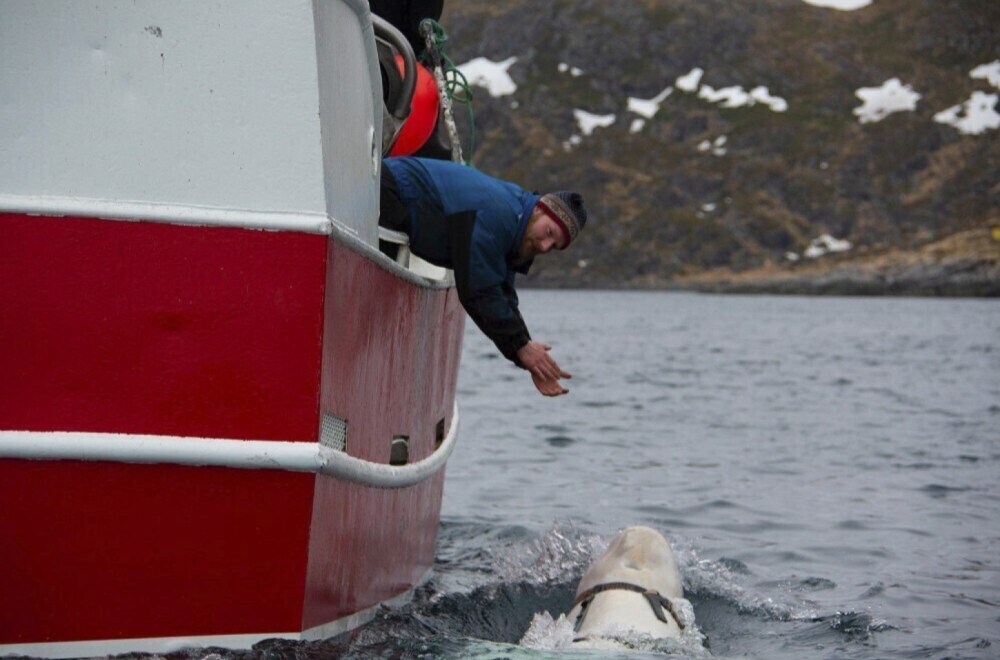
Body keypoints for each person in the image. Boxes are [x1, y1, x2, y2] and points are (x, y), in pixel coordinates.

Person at [380, 156, 588, 397]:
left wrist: (527, 354)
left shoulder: (517, 224)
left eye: (554, 246)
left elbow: (502, 295)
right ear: (540, 209)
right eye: (549, 233)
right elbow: (478, 289)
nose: (544, 246)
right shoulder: (500, 212)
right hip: (391, 188)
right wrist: (521, 347)